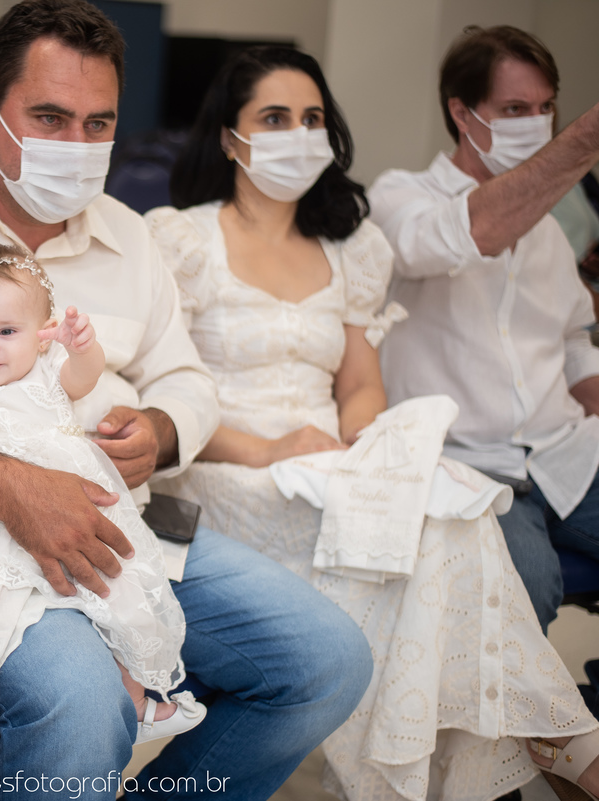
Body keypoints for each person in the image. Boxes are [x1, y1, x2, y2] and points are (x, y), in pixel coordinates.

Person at [0, 2, 373, 799]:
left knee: (325, 661)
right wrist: (14, 489)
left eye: (97, 124)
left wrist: (160, 429)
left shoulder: (127, 236)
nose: (76, 146)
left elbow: (187, 380)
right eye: (50, 118)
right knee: (83, 696)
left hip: (120, 530)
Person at [147, 44, 599, 801]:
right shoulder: (181, 240)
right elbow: (165, 395)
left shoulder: (350, 247)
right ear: (229, 137)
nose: (298, 135)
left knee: (447, 499)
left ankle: (512, 746)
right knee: (433, 531)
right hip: (221, 467)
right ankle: (559, 739)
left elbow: (360, 384)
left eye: (312, 119)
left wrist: (359, 438)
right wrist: (269, 448)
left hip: (325, 462)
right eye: (274, 118)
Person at [0, 244, 204, 797]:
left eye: (6, 332)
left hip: (67, 520)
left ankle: (136, 700)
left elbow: (85, 377)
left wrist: (82, 347)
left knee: (118, 591)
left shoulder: (47, 375)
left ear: (42, 334)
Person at [368, 26, 599, 635]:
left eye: (546, 108)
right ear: (461, 113)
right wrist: (585, 137)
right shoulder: (399, 198)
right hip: (463, 464)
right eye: (515, 109)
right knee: (525, 590)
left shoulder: (549, 230)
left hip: (565, 451)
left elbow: (573, 337)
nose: (537, 124)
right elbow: (473, 233)